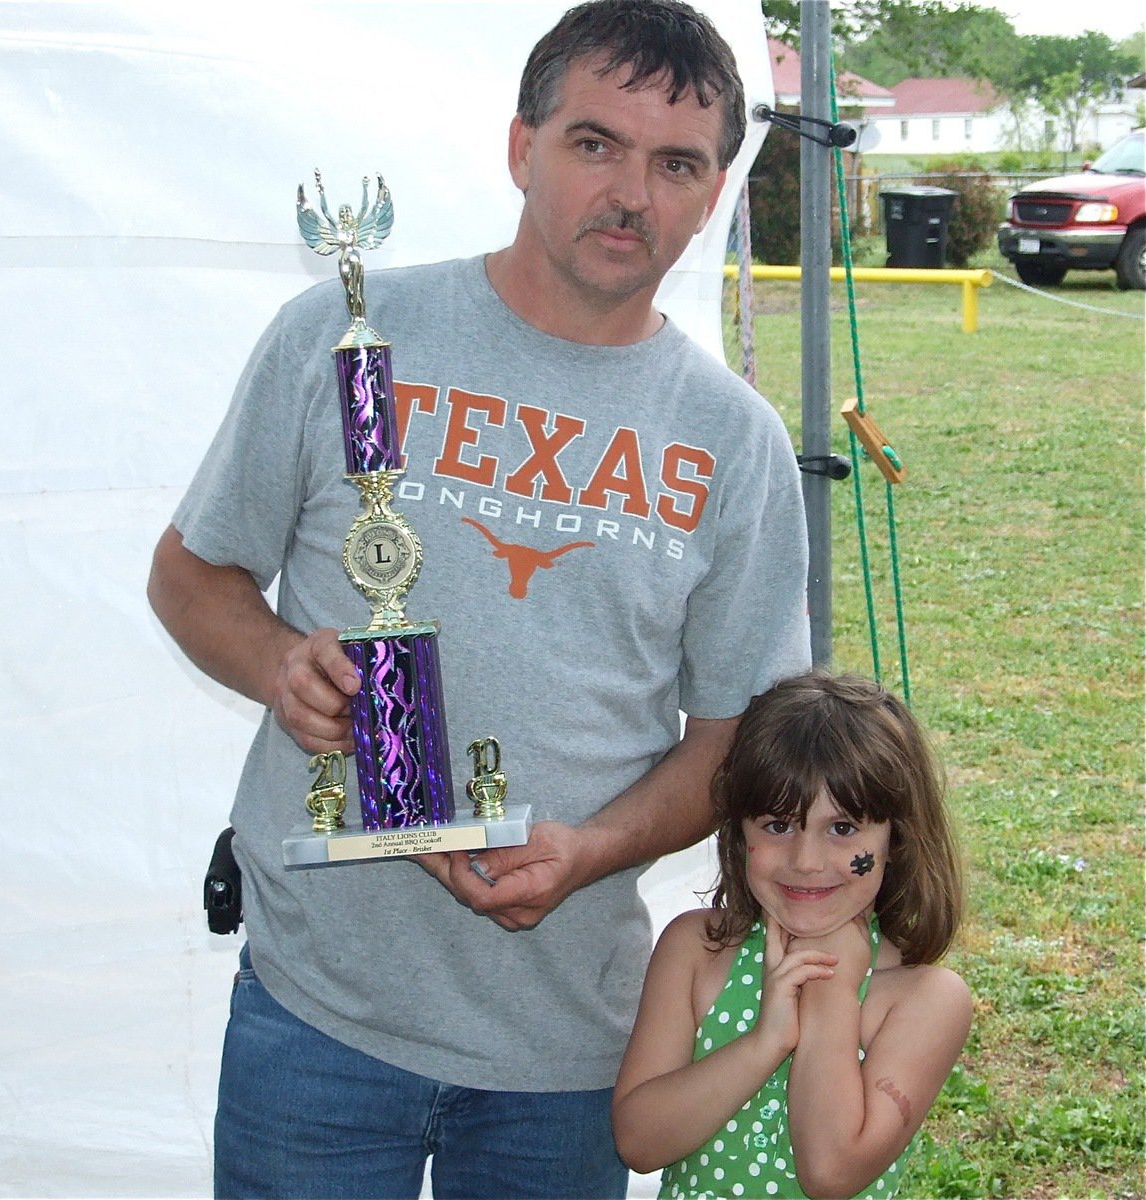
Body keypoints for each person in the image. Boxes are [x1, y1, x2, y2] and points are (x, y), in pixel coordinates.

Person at [147, 2, 810, 1196]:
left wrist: (596, 848)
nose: (632, 194)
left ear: (711, 196)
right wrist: (279, 663)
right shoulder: (350, 337)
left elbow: (739, 744)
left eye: (676, 164)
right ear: (521, 146)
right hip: (320, 1015)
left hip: (568, 1049)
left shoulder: (735, 445)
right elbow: (191, 573)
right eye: (595, 143)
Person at [612, 672, 973, 1200]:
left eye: (843, 828)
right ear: (739, 832)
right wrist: (766, 1042)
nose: (806, 862)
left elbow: (829, 1171)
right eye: (778, 825)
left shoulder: (926, 999)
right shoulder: (696, 950)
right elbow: (637, 1141)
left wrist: (831, 993)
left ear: (897, 837)